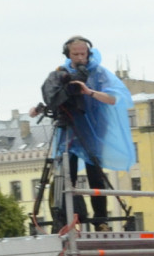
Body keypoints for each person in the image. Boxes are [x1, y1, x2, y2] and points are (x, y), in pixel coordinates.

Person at [30, 36, 135, 231]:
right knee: (66, 176)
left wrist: (89, 92)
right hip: (68, 130)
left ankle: (100, 219)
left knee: (95, 176)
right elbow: (56, 98)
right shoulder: (60, 74)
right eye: (75, 54)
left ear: (89, 53)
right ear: (67, 54)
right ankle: (67, 218)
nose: (79, 58)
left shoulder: (100, 74)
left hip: (94, 130)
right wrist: (41, 108)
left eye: (83, 54)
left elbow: (115, 99)